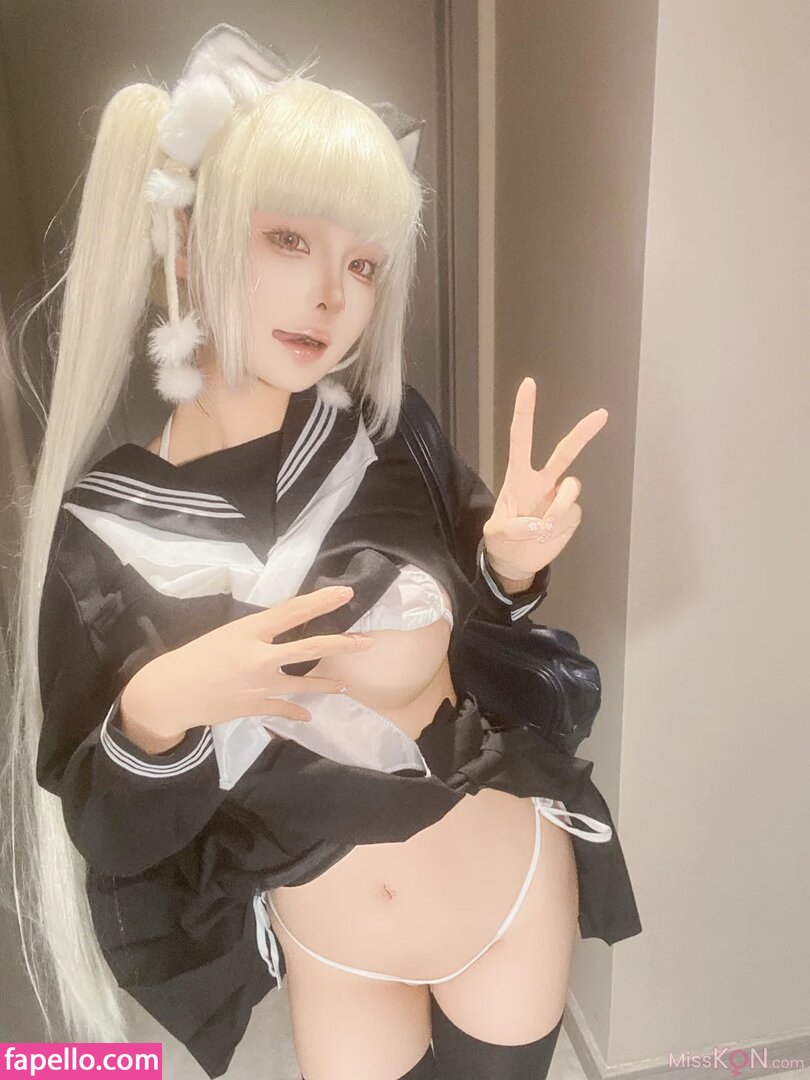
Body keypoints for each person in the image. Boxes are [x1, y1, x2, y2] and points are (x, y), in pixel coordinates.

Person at [3, 23, 641, 1080]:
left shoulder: (388, 434)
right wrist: (159, 708)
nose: (331, 296)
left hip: (505, 900)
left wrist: (510, 564)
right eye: (289, 240)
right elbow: (110, 833)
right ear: (184, 244)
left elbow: (481, 629)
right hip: (335, 954)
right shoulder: (105, 533)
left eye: (363, 263)